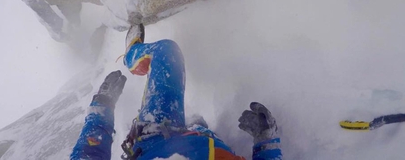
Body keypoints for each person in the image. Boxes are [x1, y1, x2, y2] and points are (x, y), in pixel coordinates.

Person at [70, 24, 282, 160]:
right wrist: (266, 142)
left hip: (154, 136)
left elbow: (89, 155)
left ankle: (133, 57)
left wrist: (102, 107)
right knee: (200, 126)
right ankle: (198, 128)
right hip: (201, 147)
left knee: (166, 52)